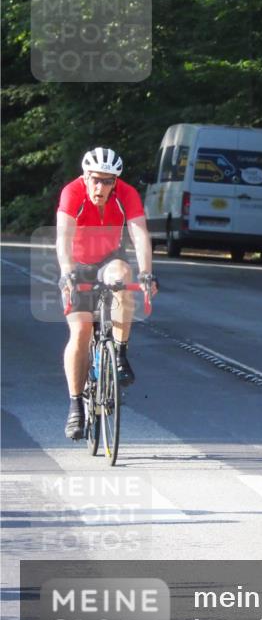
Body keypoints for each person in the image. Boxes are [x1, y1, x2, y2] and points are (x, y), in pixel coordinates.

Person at [57, 147, 158, 440]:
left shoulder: (126, 194)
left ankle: (119, 354)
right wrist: (66, 273)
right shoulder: (72, 193)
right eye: (95, 180)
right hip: (77, 264)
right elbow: (63, 237)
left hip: (108, 259)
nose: (100, 187)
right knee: (81, 331)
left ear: (116, 181)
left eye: (107, 181)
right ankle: (76, 404)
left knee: (122, 278)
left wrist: (146, 273)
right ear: (85, 176)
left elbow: (139, 233)